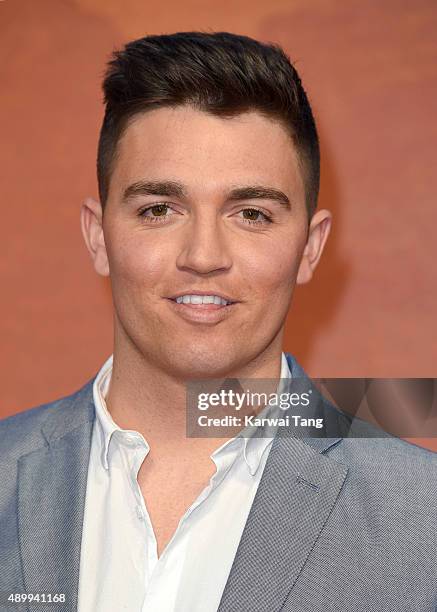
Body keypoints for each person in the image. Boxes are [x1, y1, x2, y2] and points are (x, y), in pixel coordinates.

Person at [1, 31, 436, 612]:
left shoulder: (421, 515)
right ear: (98, 236)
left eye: (251, 213)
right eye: (159, 209)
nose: (204, 255)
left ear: (310, 248)